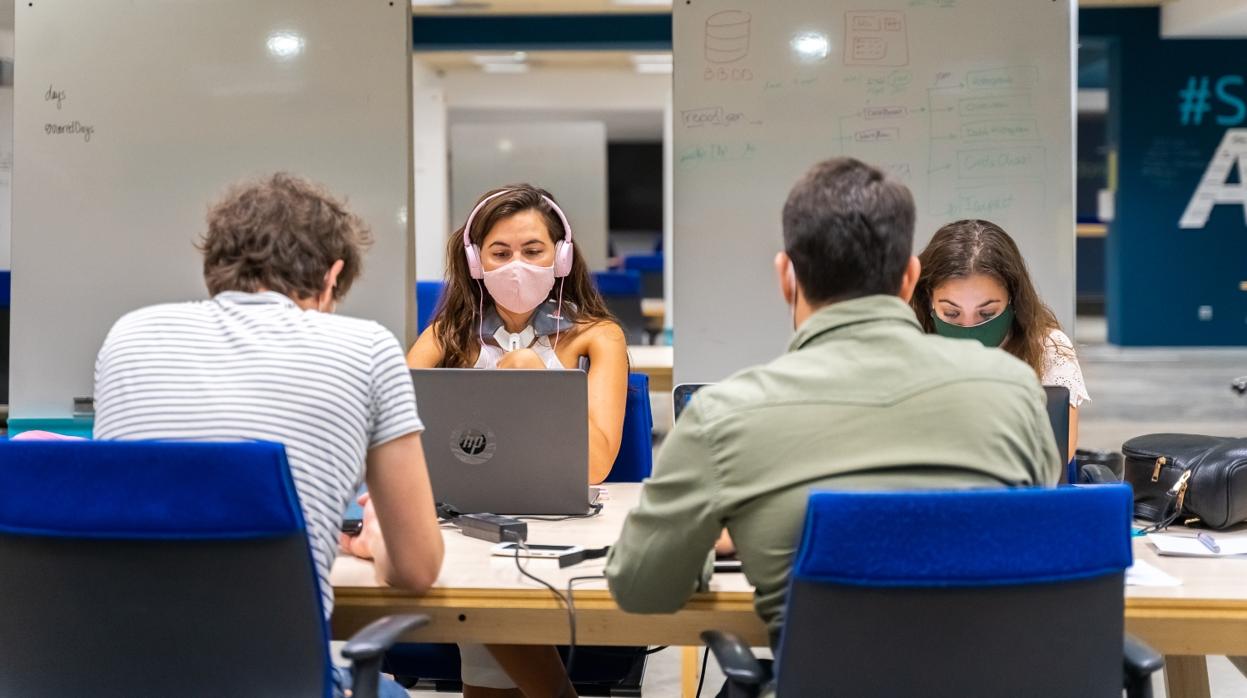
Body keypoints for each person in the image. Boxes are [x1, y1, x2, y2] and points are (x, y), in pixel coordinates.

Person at [604, 158, 1062, 673]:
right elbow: (1039, 543)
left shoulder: (724, 415)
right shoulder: (1015, 391)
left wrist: (716, 540)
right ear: (912, 278)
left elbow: (640, 586)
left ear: (786, 276)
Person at [92, 173, 444, 698]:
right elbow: (417, 567)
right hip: (282, 682)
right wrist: (375, 543)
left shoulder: (128, 336)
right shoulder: (365, 347)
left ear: (216, 268)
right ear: (333, 278)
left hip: (111, 675)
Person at [403, 184, 629, 698]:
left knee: (487, 602)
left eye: (533, 251)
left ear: (562, 256)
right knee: (481, 585)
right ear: (476, 262)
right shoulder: (448, 334)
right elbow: (393, 430)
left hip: (558, 523)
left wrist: (525, 373)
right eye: (500, 253)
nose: (517, 266)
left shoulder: (597, 335)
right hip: (465, 518)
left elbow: (594, 464)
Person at [910, 219, 1089, 458]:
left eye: (987, 313)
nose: (969, 326)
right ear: (928, 300)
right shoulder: (909, 344)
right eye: (951, 313)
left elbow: (1058, 456)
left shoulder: (1048, 349)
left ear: (1013, 299)